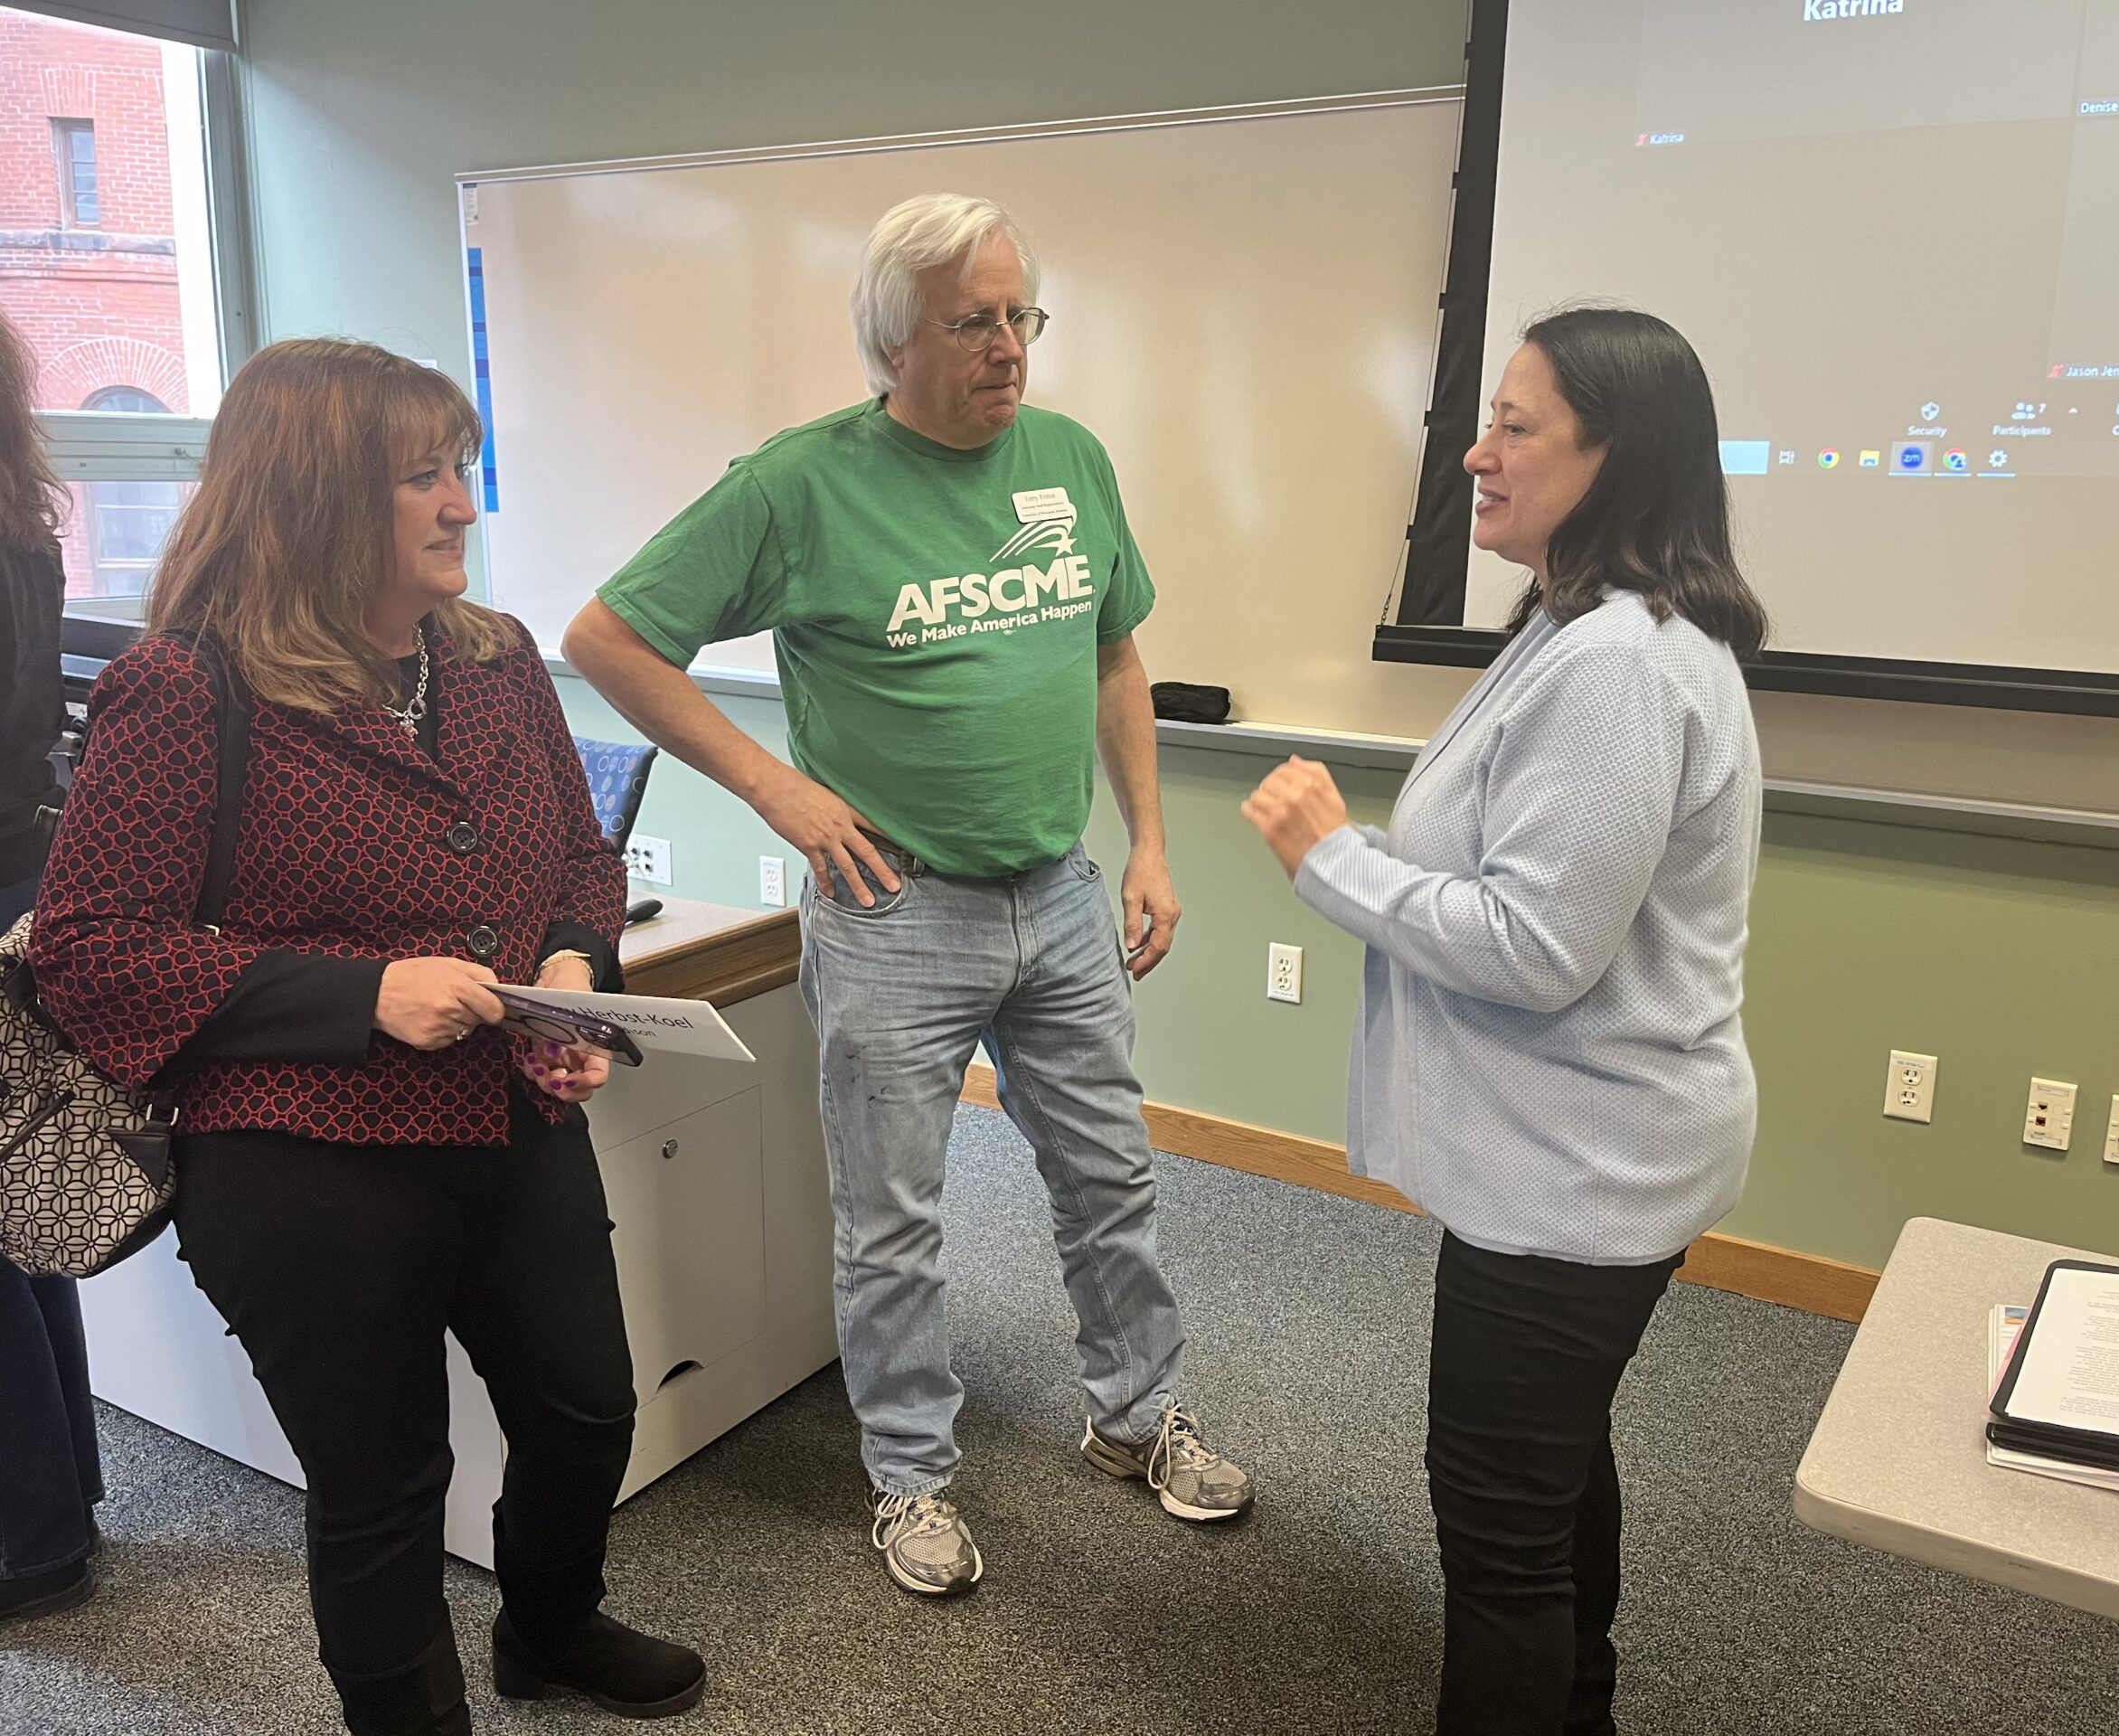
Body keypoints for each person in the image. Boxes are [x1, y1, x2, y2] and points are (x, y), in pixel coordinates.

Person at [563, 193, 1252, 1596]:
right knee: (893, 1221)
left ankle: (1135, 1419)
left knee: (1110, 1180)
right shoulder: (799, 486)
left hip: (1058, 896)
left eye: (1020, 316)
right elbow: (609, 638)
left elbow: (1115, 655)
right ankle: (911, 1477)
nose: (1009, 348)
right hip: (895, 913)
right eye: (972, 323)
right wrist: (778, 791)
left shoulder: (1069, 457)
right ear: (894, 344)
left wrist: (1151, 845)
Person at [30, 339, 705, 1734]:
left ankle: (549, 1629)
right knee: (384, 1485)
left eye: (460, 467)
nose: (461, 504)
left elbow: (578, 861)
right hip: (301, 1161)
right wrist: (363, 995)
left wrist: (572, 968)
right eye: (420, 477)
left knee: (586, 1411)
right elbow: (91, 948)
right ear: (315, 497)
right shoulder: (186, 687)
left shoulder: (496, 661)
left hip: (510, 1117)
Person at [1243, 307, 1767, 1736]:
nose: (1475, 455)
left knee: (1500, 1532)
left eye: (1516, 427)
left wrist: (1330, 862)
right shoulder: (1573, 628)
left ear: (1616, 457)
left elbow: (1537, 949)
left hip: (1577, 1176)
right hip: (1579, 1158)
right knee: (1546, 1472)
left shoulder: (1619, 667)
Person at [0, 310, 106, 1626]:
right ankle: (61, 1496)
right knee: (21, 1212)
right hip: (25, 871)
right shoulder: (24, 526)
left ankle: (30, 1540)